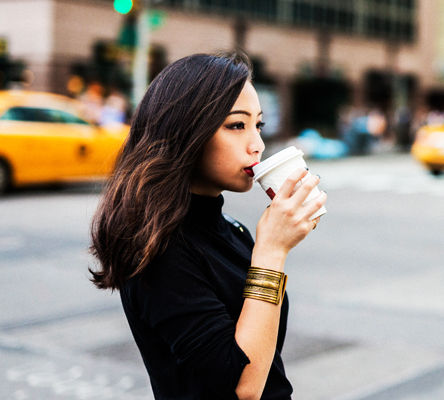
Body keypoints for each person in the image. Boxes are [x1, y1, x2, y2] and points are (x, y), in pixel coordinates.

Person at [89, 53, 326, 400]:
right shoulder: (158, 249)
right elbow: (243, 385)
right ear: (185, 131)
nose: (257, 144)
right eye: (236, 125)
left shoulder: (231, 228)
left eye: (258, 125)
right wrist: (273, 250)